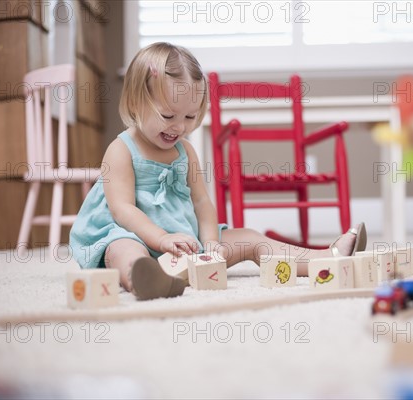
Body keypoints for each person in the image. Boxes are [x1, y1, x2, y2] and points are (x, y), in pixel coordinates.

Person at [69, 42, 366, 300]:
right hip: (134, 234)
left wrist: (210, 244)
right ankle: (142, 278)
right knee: (122, 249)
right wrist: (160, 239)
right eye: (168, 115)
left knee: (250, 238)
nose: (179, 126)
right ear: (136, 102)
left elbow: (201, 202)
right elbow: (122, 209)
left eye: (189, 116)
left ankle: (327, 257)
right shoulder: (121, 149)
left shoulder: (185, 151)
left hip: (187, 244)